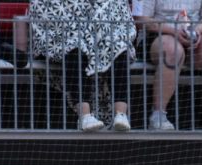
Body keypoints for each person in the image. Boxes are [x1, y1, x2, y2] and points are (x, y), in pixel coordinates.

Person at [132, 0, 202, 131]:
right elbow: (141, 19)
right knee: (173, 50)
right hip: (159, 35)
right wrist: (173, 31)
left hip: (194, 34)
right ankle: (158, 116)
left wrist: (196, 31)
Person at [28, 0, 136, 131]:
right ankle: (85, 116)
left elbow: (117, 13)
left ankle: (121, 114)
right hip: (62, 37)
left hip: (100, 36)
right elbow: (46, 13)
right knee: (75, 47)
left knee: (119, 46)